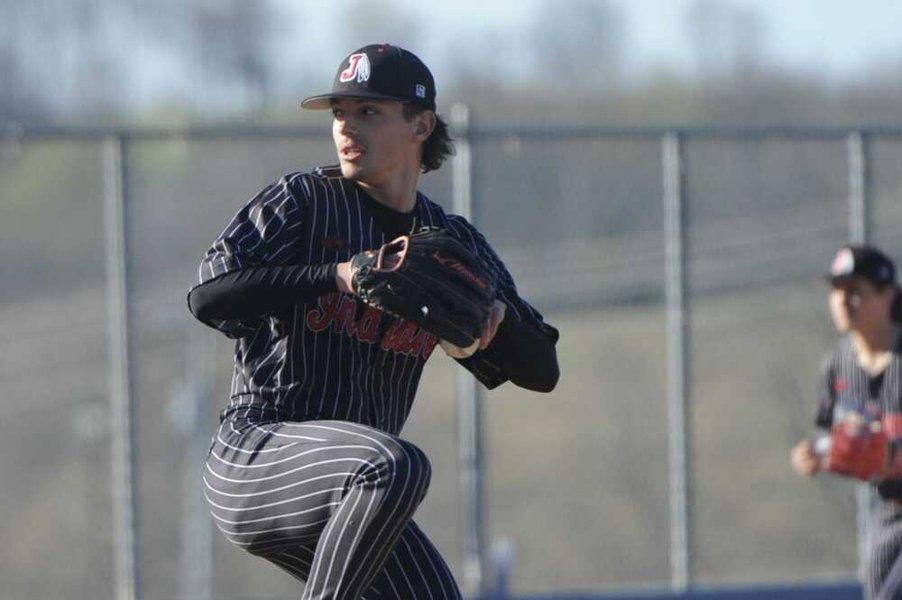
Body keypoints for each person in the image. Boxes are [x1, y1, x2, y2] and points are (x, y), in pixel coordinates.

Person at [187, 43, 560, 599]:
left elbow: (543, 369)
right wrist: (336, 274)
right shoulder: (303, 202)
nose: (346, 128)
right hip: (258, 454)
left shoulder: (448, 241)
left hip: (358, 494)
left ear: (421, 124)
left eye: (368, 112)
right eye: (339, 113)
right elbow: (208, 297)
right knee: (394, 465)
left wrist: (493, 328)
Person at [790, 244, 902, 599]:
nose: (843, 300)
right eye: (837, 291)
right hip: (891, 510)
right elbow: (830, 432)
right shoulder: (839, 365)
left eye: (856, 291)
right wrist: (818, 453)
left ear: (889, 296)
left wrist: (892, 457)